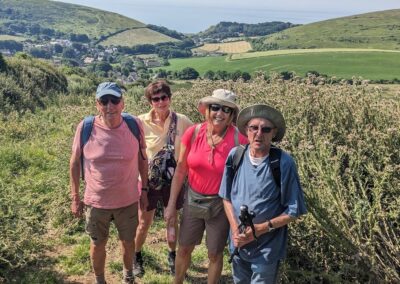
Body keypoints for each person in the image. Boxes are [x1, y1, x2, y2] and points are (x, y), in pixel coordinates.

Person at [165, 89, 248, 284]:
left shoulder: (239, 140)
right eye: (215, 107)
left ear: (232, 115)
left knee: (214, 254)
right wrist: (170, 205)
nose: (220, 113)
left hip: (221, 204)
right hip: (192, 199)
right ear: (207, 110)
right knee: (184, 247)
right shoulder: (193, 133)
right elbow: (180, 170)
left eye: (226, 110)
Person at [69, 82, 149, 284]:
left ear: (122, 103)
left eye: (114, 100)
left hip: (128, 200)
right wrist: (75, 197)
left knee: (128, 242)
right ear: (97, 104)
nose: (109, 106)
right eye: (104, 101)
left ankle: (128, 276)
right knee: (97, 244)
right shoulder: (86, 127)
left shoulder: (133, 125)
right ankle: (100, 280)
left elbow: (142, 158)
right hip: (96, 202)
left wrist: (145, 190)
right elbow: (74, 162)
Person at [219, 104, 307, 284]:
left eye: (265, 129)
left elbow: (294, 210)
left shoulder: (283, 162)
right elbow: (226, 197)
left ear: (274, 133)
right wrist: (236, 229)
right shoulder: (236, 156)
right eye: (254, 128)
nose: (259, 133)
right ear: (246, 130)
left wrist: (261, 229)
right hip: (238, 242)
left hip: (267, 248)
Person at [133, 80, 193, 276]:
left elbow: (199, 137)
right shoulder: (140, 122)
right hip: (147, 182)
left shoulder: (182, 121)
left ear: (170, 98)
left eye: (164, 97)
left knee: (171, 220)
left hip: (172, 182)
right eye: (155, 99)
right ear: (150, 101)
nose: (161, 102)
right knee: (144, 223)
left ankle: (172, 255)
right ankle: (137, 256)